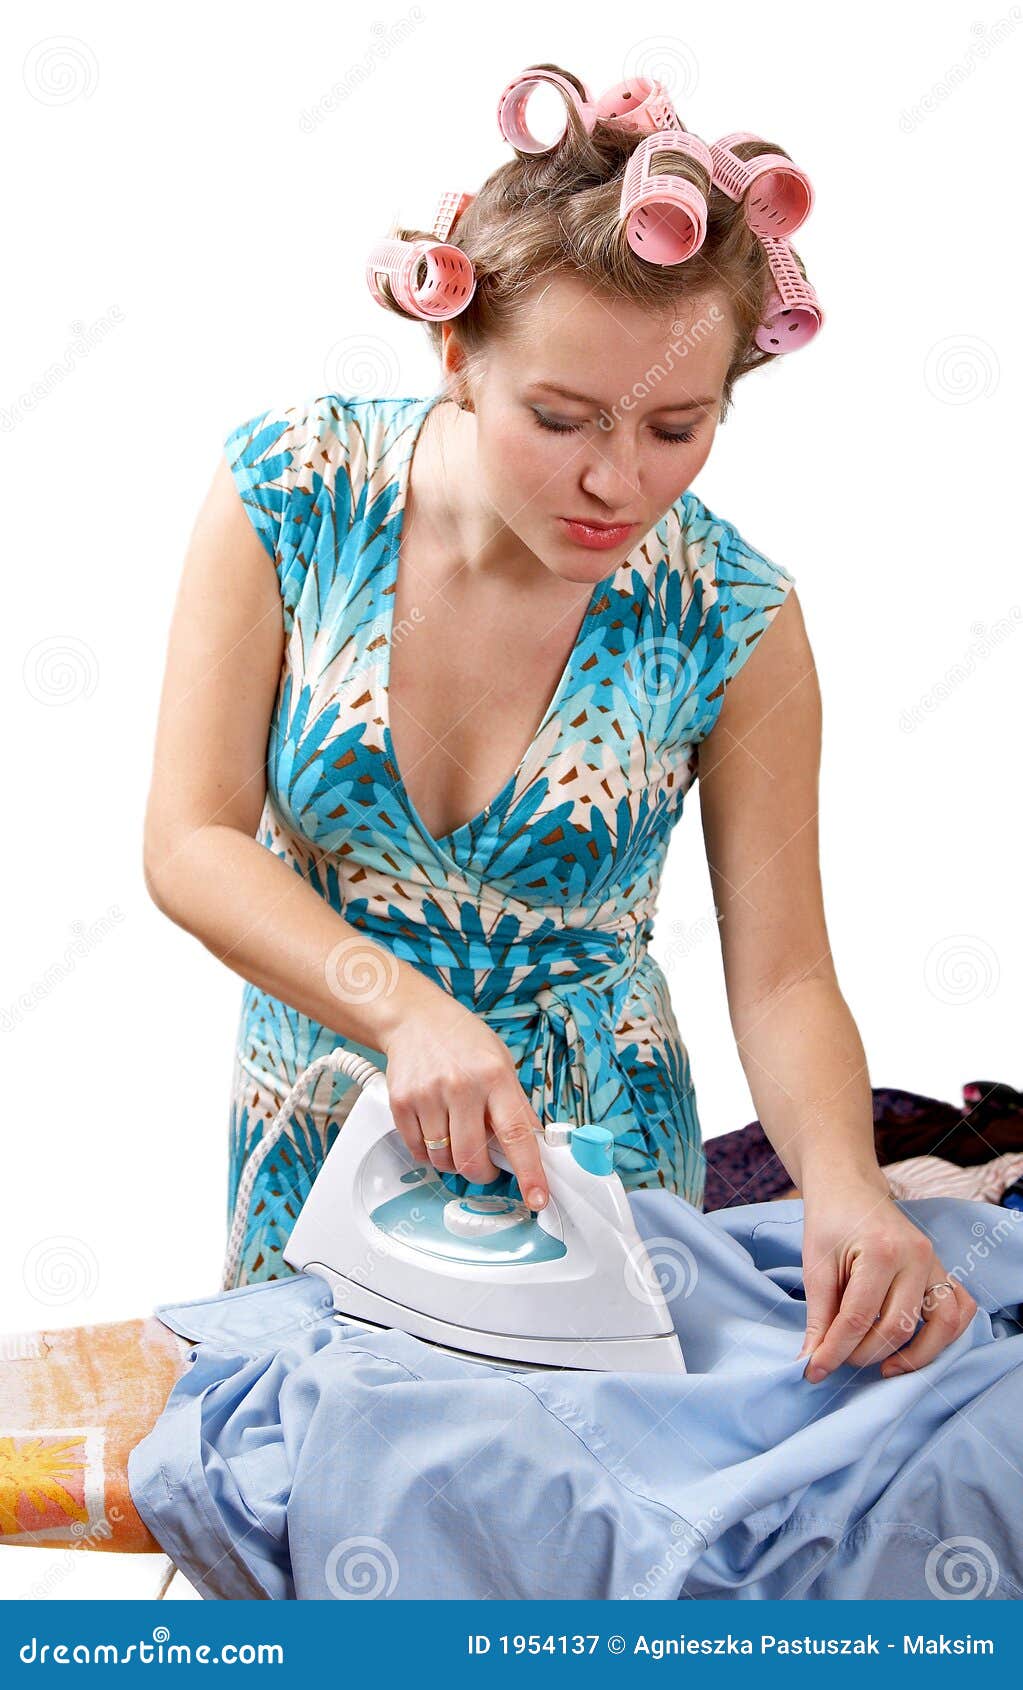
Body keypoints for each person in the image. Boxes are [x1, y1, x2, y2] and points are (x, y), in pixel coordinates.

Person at [140, 61, 975, 1398]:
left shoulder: (734, 619)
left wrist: (845, 1189)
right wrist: (405, 1013)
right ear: (458, 352)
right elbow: (189, 840)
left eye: (676, 426)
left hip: (598, 1171)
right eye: (563, 417)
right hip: (319, 1139)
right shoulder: (288, 495)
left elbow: (783, 978)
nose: (616, 479)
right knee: (322, 1527)